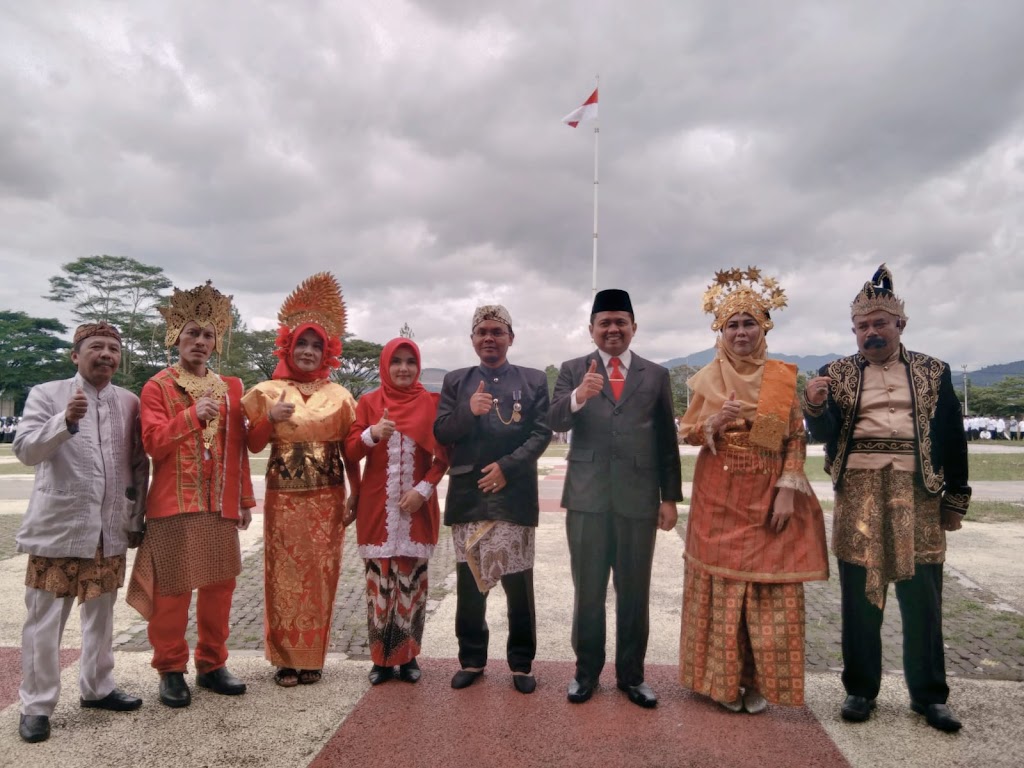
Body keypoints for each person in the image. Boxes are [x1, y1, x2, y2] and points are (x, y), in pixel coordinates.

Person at [803, 264, 970, 733]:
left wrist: (956, 497)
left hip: (919, 493)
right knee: (860, 596)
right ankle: (860, 689)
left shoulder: (934, 371)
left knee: (923, 597)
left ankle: (929, 696)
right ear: (853, 330)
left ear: (901, 324)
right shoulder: (833, 372)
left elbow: (952, 435)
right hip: (858, 491)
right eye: (862, 326)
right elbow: (825, 435)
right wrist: (814, 406)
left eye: (880, 323)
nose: (871, 332)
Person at [676, 268, 829, 714]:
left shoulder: (782, 377)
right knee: (720, 589)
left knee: (769, 592)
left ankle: (758, 682)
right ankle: (720, 682)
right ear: (719, 331)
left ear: (764, 326)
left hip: (769, 491)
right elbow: (687, 433)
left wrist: (787, 489)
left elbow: (795, 437)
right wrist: (714, 422)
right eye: (732, 324)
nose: (740, 332)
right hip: (718, 494)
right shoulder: (708, 377)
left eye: (748, 323)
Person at [13, 323, 149, 743]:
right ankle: (36, 706)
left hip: (109, 528)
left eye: (113, 348)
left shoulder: (129, 402)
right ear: (76, 355)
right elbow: (25, 451)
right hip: (60, 528)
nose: (106, 354)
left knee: (102, 615)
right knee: (45, 622)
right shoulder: (47, 394)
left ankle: (98, 687)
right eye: (96, 347)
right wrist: (64, 421)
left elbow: (138, 465)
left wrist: (136, 518)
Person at [549, 288, 682, 708]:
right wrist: (578, 396)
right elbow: (550, 418)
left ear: (633, 328)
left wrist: (670, 497)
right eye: (604, 322)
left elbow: (666, 440)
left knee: (634, 591)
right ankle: (585, 673)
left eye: (620, 322)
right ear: (591, 329)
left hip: (639, 500)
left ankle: (632, 676)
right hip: (587, 499)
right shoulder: (573, 370)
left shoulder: (656, 375)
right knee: (587, 590)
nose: (612, 329)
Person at [127, 281, 255, 708]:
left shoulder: (231, 388)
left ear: (217, 341)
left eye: (207, 335)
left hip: (218, 505)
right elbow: (153, 443)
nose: (200, 342)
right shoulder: (158, 387)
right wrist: (190, 416)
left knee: (220, 588)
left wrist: (243, 500)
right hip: (173, 506)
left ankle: (213, 664)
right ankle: (170, 668)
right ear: (176, 337)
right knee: (173, 591)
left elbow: (237, 449)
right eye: (192, 333)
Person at [241, 273, 358, 688]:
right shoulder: (267, 391)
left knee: (323, 574)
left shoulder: (342, 396)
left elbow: (352, 450)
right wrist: (267, 420)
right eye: (302, 343)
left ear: (328, 351)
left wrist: (356, 495)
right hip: (284, 499)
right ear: (288, 345)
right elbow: (251, 446)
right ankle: (285, 660)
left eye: (317, 345)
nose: (308, 351)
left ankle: (313, 657)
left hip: (328, 497)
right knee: (283, 574)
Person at [433, 305, 552, 694]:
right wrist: (468, 411)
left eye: (497, 331)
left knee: (519, 587)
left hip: (514, 493)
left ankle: (521, 662)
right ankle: (471, 658)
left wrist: (507, 467)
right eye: (482, 331)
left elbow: (540, 433)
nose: (489, 337)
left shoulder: (533, 380)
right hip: (469, 494)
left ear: (510, 339)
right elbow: (442, 432)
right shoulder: (456, 381)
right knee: (470, 586)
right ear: (472, 339)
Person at [345, 338, 448, 685]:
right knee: (379, 584)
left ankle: (409, 656)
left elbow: (444, 457)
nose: (403, 368)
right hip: (377, 510)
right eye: (397, 362)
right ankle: (381, 660)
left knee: (411, 583)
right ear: (385, 365)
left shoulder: (431, 404)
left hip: (416, 510)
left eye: (410, 362)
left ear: (418, 366)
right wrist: (372, 434)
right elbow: (348, 452)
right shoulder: (369, 402)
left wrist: (423, 490)